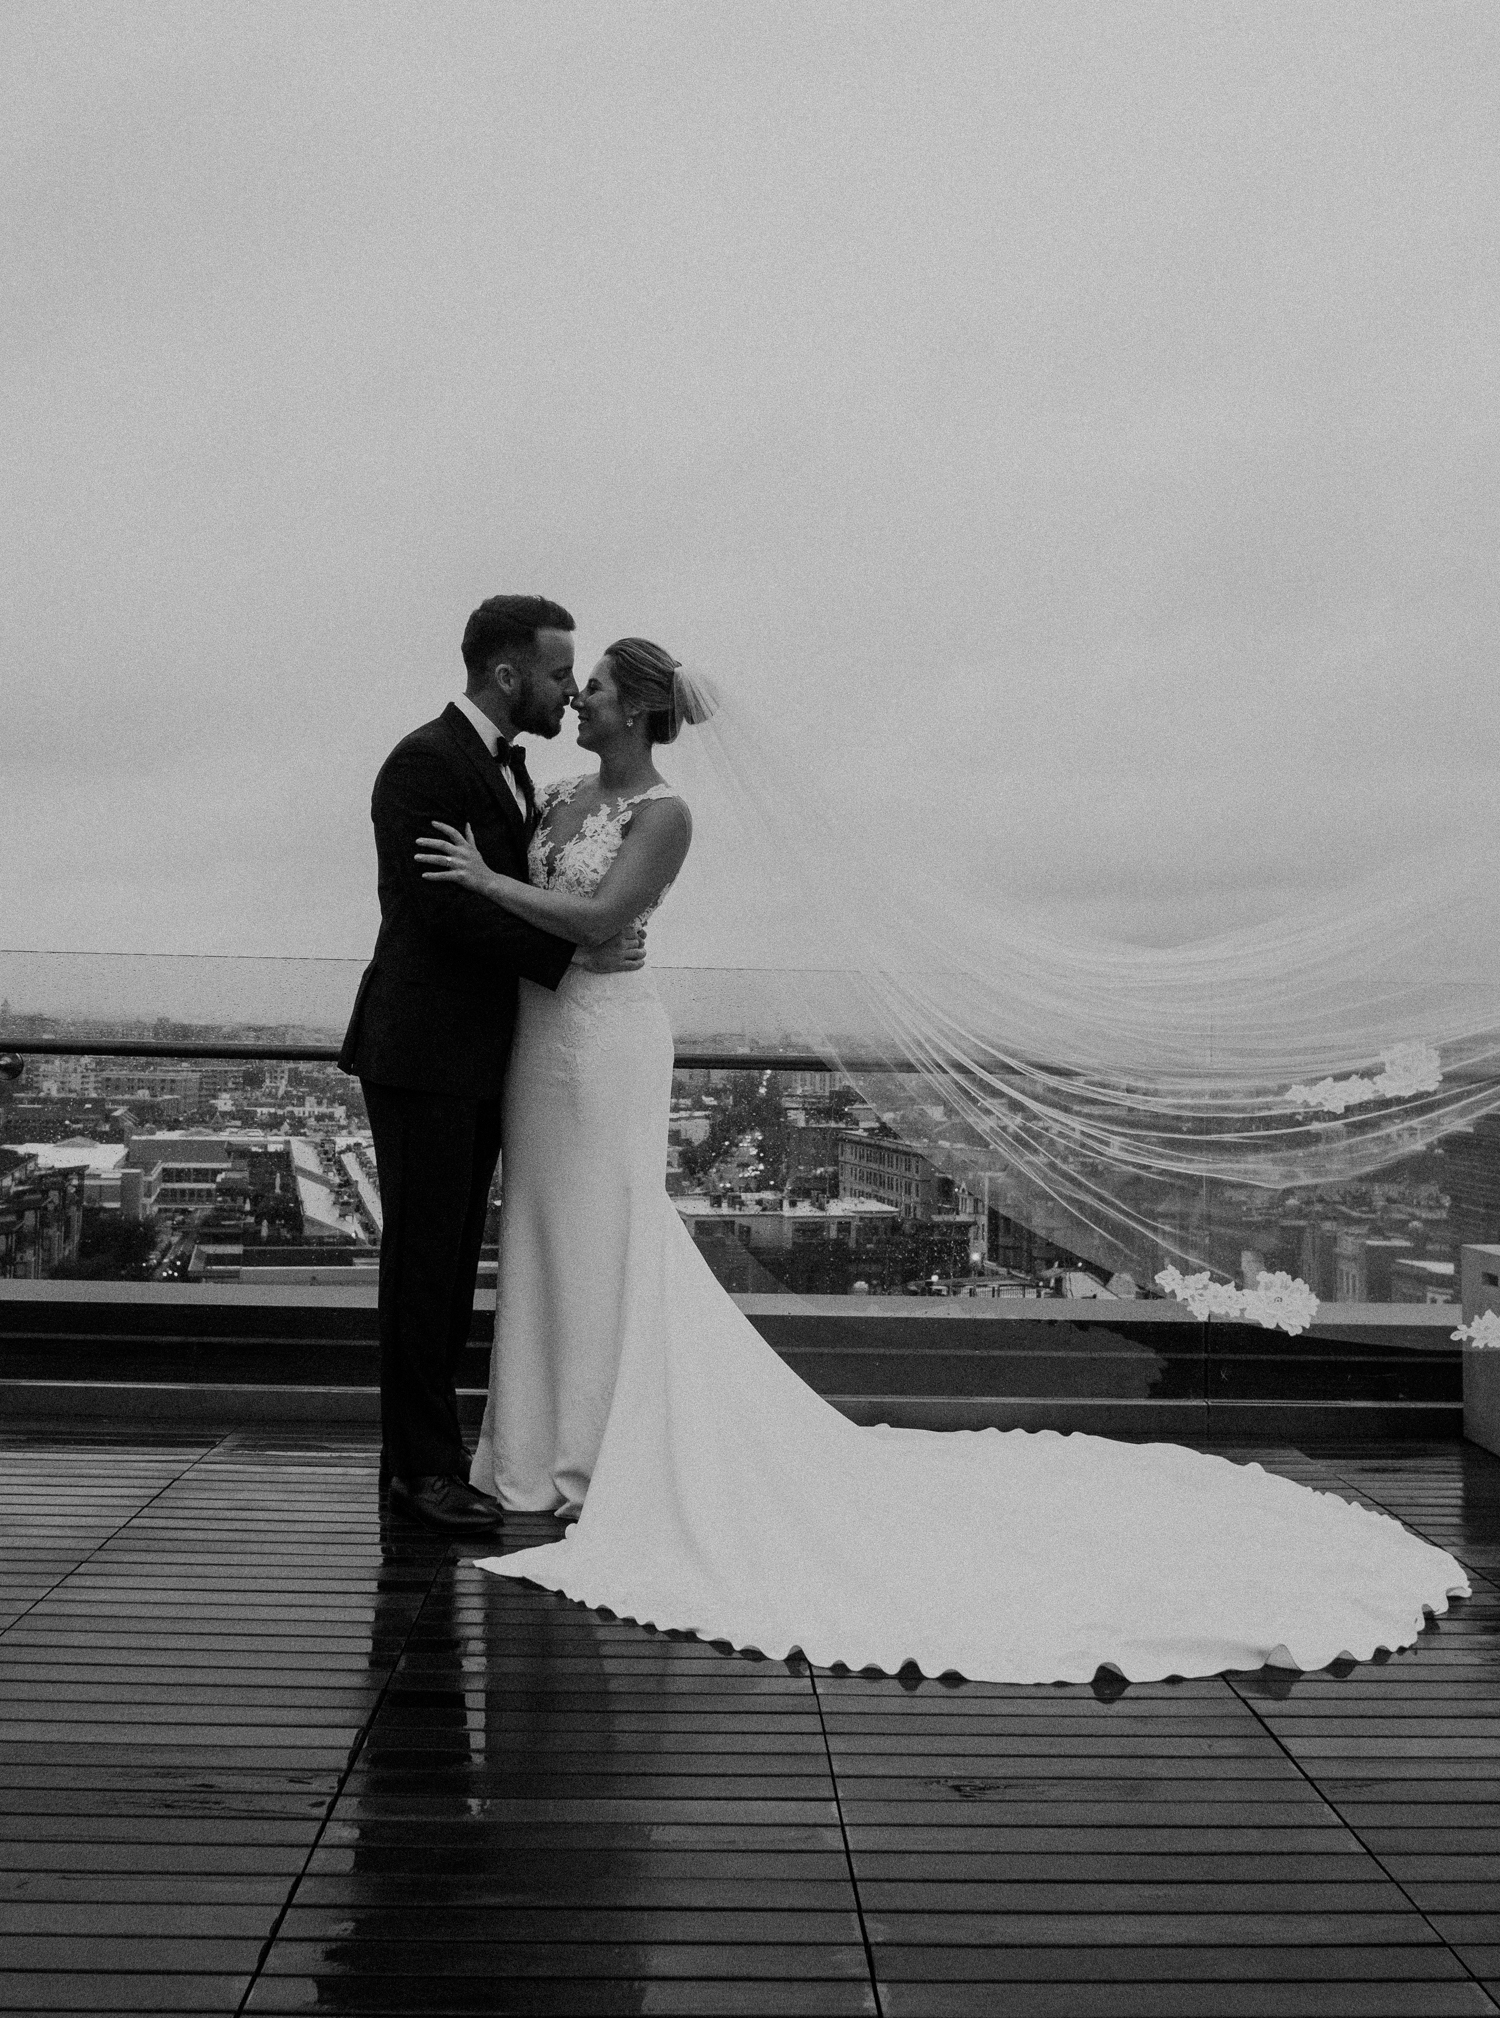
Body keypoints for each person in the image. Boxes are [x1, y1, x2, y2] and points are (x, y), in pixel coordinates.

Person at [415, 642, 1470, 1683]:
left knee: (609, 1236)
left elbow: (602, 922)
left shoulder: (666, 815)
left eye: (595, 685)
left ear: (640, 711)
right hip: (537, 1045)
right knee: (545, 1232)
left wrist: (483, 885)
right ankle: (534, 1453)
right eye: (578, 682)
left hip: (608, 1045)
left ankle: (597, 1458)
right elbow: (553, 918)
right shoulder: (552, 798)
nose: (581, 697)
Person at [339, 594, 646, 1537]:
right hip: (424, 1053)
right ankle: (419, 1474)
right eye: (560, 673)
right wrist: (574, 959)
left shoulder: (517, 776)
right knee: (424, 1268)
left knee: (446, 1263)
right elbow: (440, 910)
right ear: (509, 675)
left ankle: (427, 1462)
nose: (568, 690)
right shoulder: (425, 763)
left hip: (479, 1059)